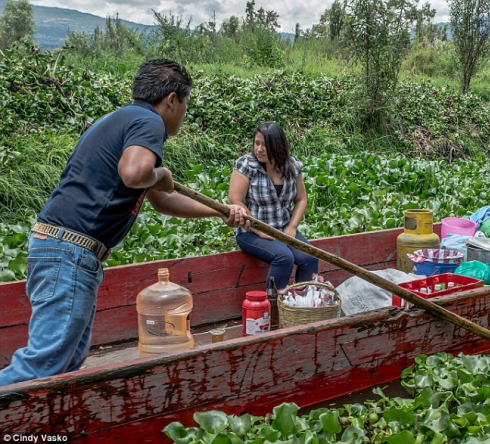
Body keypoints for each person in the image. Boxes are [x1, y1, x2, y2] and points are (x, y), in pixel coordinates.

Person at [0, 59, 249, 386]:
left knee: (68, 360)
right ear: (172, 100)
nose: (184, 114)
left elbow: (162, 200)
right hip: (69, 252)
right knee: (43, 365)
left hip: (63, 249)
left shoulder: (122, 119)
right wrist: (161, 173)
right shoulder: (148, 122)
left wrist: (220, 211)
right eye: (186, 104)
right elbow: (134, 174)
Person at [228, 121, 319, 290]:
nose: (259, 149)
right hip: (250, 232)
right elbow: (235, 200)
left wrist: (292, 227)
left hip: (283, 228)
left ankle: (302, 305)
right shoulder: (246, 165)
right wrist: (258, 228)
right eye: (257, 143)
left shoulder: (292, 166)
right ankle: (272, 308)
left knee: (310, 259)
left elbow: (301, 199)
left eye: (265, 145)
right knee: (283, 257)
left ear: (277, 146)